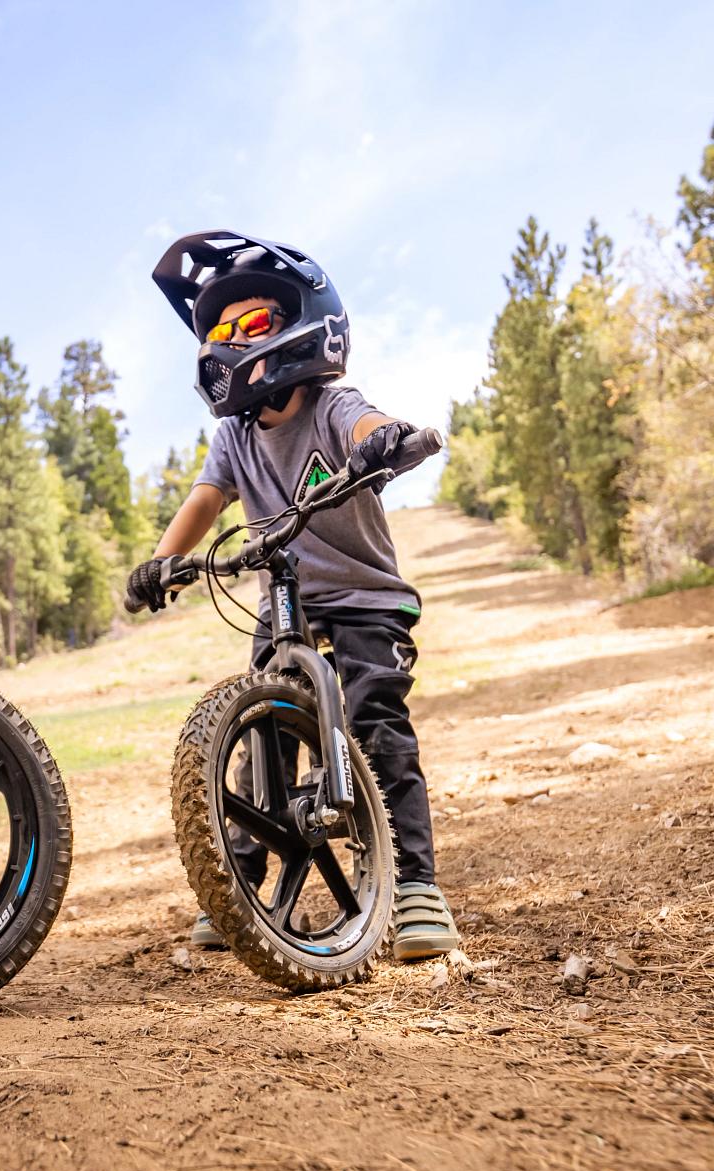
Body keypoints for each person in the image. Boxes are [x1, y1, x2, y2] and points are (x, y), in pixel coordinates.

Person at [131, 230, 457, 961]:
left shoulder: (334, 405)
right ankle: (237, 885)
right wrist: (161, 563)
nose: (235, 338)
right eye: (220, 330)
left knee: (377, 724)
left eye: (252, 324)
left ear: (304, 322)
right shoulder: (235, 438)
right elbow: (206, 501)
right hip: (283, 599)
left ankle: (413, 888)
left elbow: (368, 426)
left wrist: (385, 440)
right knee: (259, 742)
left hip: (365, 597)